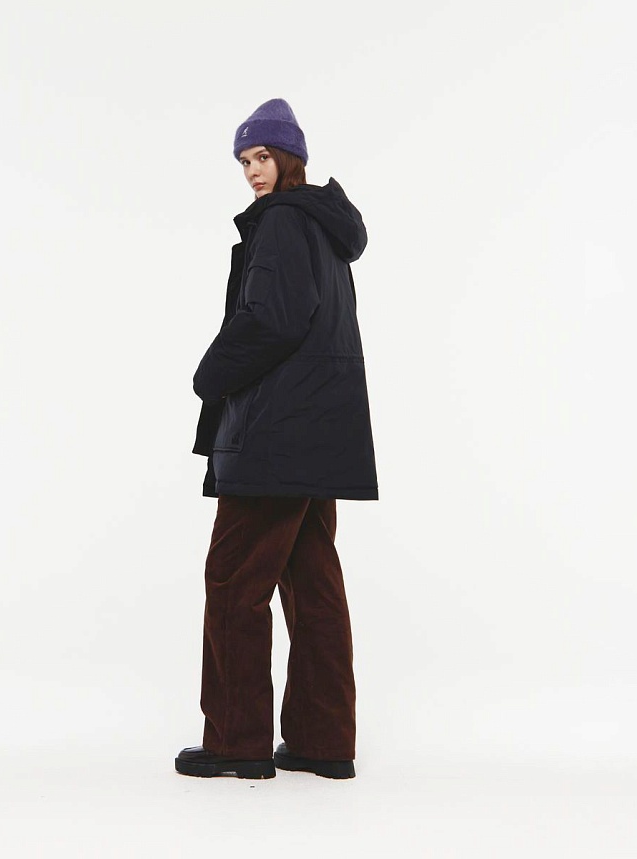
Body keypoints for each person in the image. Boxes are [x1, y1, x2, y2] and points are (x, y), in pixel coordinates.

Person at [174, 98, 378, 780]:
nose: (252, 172)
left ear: (291, 157)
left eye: (262, 156)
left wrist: (210, 374)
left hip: (275, 438)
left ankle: (237, 740)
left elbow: (272, 320)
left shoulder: (283, 222)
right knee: (311, 583)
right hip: (315, 436)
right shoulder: (323, 228)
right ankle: (323, 740)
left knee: (234, 579)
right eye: (243, 161)